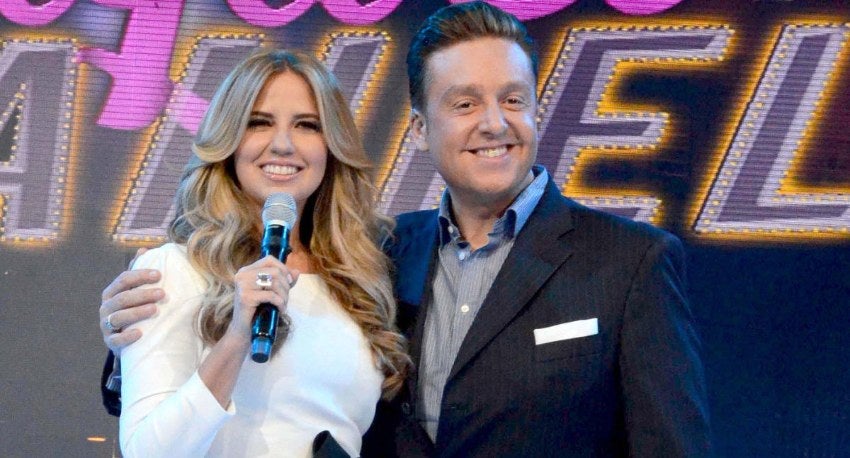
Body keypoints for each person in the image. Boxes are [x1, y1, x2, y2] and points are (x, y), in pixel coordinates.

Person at [100, 3, 711, 456]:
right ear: (419, 129)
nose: (493, 123)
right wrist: (132, 339)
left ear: (536, 110)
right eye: (465, 103)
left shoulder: (631, 263)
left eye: (513, 100)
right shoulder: (377, 257)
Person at [107, 48, 410, 457]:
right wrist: (236, 337)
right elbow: (150, 452)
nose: (283, 144)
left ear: (331, 145)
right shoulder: (176, 270)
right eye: (258, 123)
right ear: (229, 141)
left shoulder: (359, 283)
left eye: (307, 125)